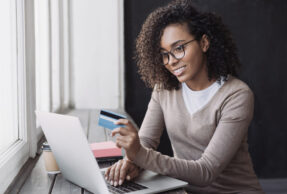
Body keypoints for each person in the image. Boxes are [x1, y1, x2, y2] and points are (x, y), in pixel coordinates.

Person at [105, 0, 264, 193]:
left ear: (204, 43)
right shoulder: (163, 89)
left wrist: (139, 154)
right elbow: (145, 142)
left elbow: (206, 171)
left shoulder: (236, 96)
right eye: (164, 54)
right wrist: (131, 163)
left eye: (179, 48)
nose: (171, 61)